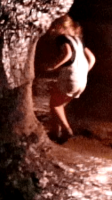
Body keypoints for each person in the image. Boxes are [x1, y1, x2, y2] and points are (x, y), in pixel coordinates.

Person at [34, 15, 96, 143]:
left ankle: (67, 130)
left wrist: (52, 66)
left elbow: (67, 54)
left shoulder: (61, 39)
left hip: (70, 77)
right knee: (58, 105)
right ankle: (55, 132)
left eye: (54, 27)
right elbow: (92, 58)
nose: (51, 30)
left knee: (55, 105)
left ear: (60, 27)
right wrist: (84, 71)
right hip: (82, 79)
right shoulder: (78, 41)